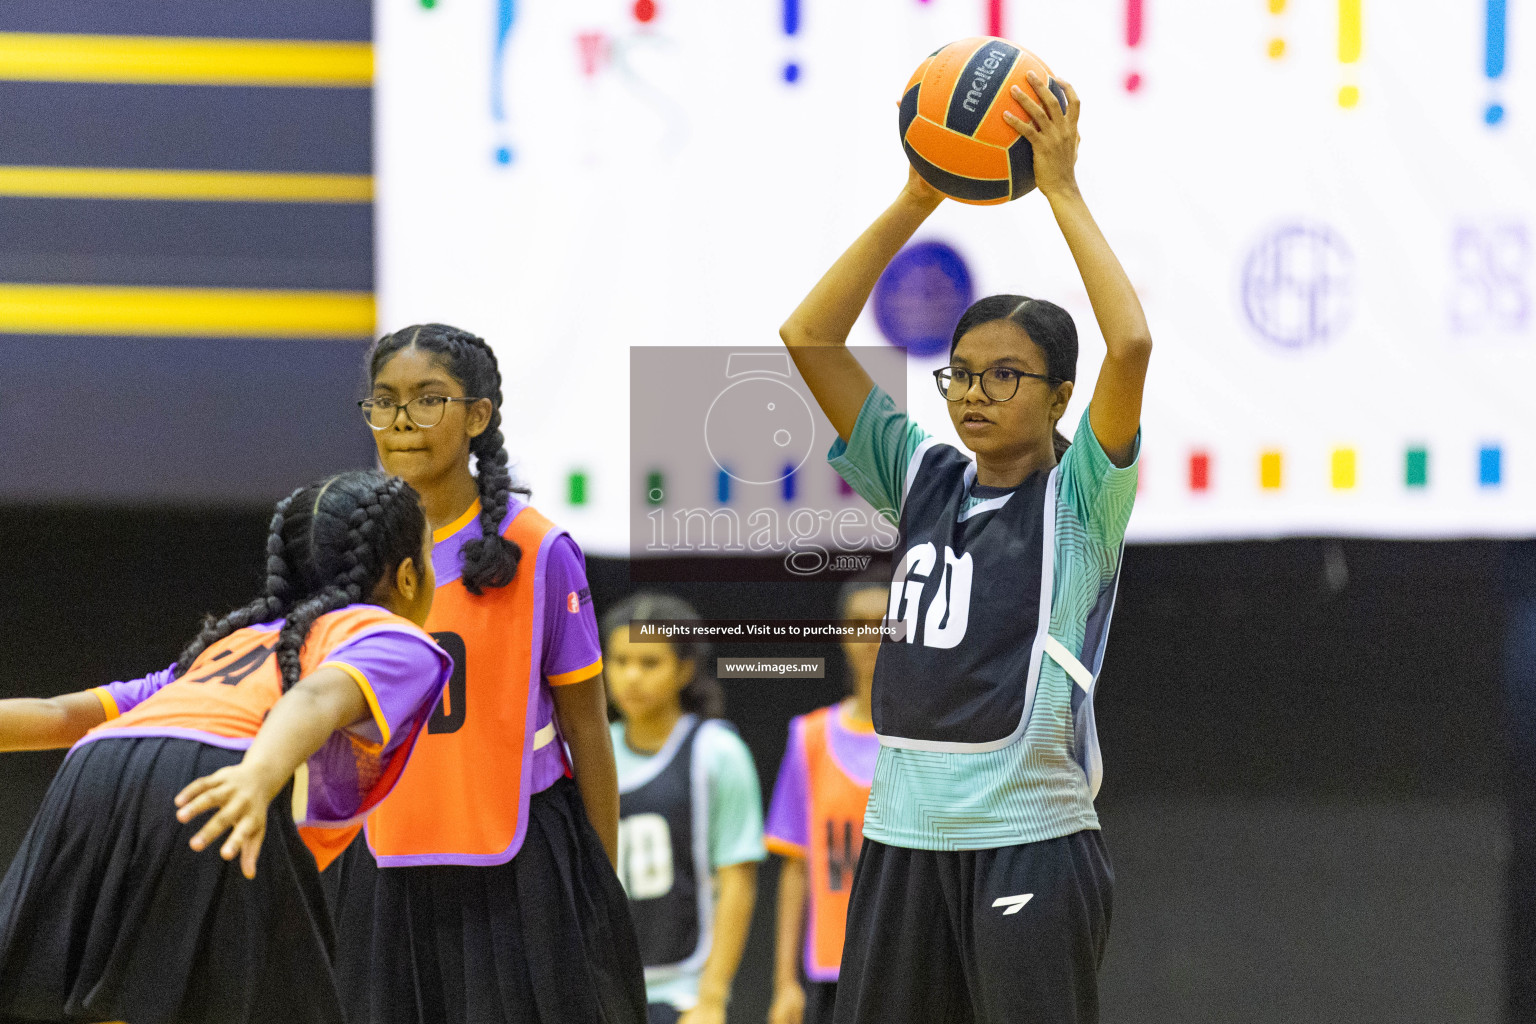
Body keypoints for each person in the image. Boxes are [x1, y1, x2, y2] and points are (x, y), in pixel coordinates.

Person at [778, 73, 1151, 1022]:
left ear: (1061, 394)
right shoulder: (922, 476)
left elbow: (1133, 343)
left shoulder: (1081, 498)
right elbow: (808, 337)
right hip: (901, 837)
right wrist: (918, 194)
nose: (974, 393)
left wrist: (1061, 188)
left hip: (1030, 836)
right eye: (962, 375)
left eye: (1007, 376)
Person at [0, 470, 451, 1024]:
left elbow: (57, 716)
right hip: (217, 775)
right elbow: (313, 698)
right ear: (409, 576)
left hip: (94, 770)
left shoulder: (234, 642)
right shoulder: (394, 639)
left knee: (115, 1000)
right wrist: (258, 775)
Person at [326, 323, 645, 1024]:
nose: (403, 421)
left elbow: (587, 731)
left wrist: (599, 888)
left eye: (428, 400)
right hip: (384, 864)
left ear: (478, 416)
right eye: (384, 402)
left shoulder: (538, 550)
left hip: (521, 866)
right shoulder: (349, 555)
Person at [602, 592, 765, 1024]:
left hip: (683, 992)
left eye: (649, 662)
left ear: (685, 669)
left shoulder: (717, 752)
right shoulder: (589, 757)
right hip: (605, 989)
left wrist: (711, 998)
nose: (631, 676)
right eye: (619, 662)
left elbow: (738, 878)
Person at [764, 576, 885, 1024]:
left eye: (884, 624)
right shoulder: (810, 737)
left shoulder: (928, 740)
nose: (871, 637)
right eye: (859, 624)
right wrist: (784, 985)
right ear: (841, 633)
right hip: (832, 967)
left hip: (909, 959)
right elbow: (796, 866)